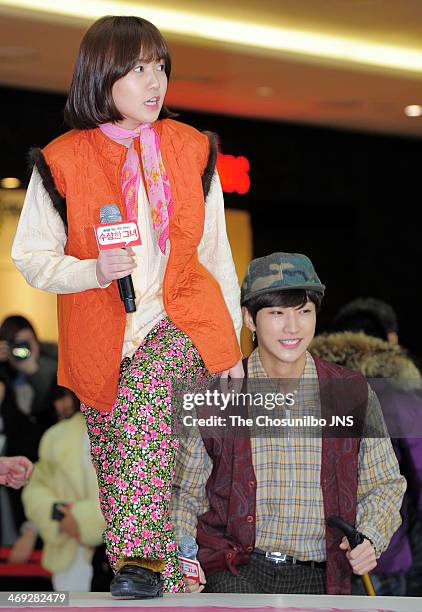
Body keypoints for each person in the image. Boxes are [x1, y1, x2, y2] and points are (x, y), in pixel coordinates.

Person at [12, 15, 243, 598]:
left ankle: (142, 561)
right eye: (138, 68)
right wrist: (91, 269)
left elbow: (216, 258)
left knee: (141, 397)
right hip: (102, 337)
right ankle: (164, 569)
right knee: (116, 449)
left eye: (159, 66)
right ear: (102, 75)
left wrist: (228, 347)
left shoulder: (193, 151)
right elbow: (31, 257)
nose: (154, 81)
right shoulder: (62, 161)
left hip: (182, 321)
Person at [171, 252, 406, 595]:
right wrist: (183, 557)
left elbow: (385, 483)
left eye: (304, 312)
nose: (292, 327)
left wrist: (371, 535)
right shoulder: (217, 396)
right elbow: (184, 493)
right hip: (235, 573)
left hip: (321, 578)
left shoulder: (351, 392)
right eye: (277, 313)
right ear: (249, 318)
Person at [312, 297, 422, 596]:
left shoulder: (308, 385)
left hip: (313, 560)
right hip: (384, 560)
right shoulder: (399, 394)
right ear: (391, 339)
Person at [22, 389, 106, 592]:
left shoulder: (135, 431)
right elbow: (36, 489)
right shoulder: (56, 436)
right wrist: (60, 515)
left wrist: (83, 521)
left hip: (126, 549)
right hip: (70, 550)